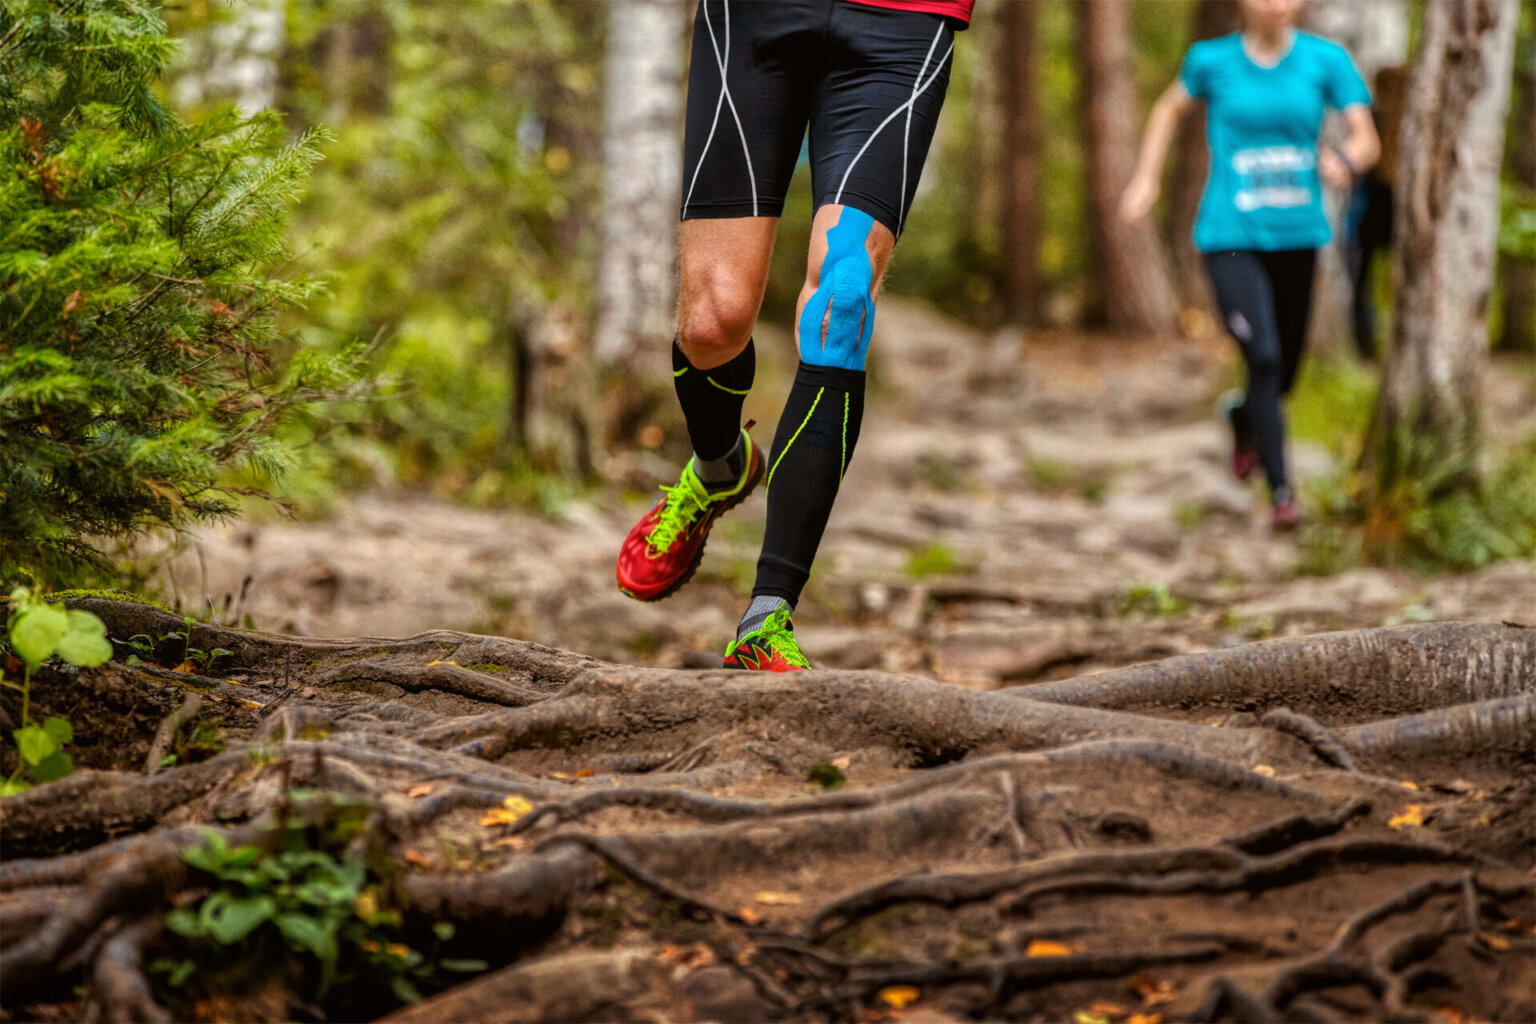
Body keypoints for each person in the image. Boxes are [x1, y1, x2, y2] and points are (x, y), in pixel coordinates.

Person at [615, 0, 974, 670]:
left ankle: (768, 613)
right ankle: (720, 466)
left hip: (903, 20)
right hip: (755, 14)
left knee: (842, 301)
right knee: (712, 319)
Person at [1120, 0, 1379, 531]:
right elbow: (1168, 110)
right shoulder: (1210, 62)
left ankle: (1243, 418)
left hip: (1299, 236)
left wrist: (1346, 161)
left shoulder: (1325, 59)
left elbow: (1366, 138)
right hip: (1229, 235)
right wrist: (1146, 179)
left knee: (1282, 372)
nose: (1278, 5)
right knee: (1261, 355)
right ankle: (1283, 493)